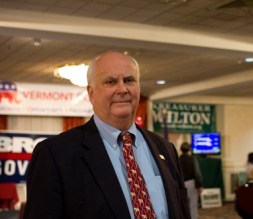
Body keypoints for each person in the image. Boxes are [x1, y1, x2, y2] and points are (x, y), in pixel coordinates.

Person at [23, 51, 191, 219]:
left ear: (138, 88)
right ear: (91, 93)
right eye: (111, 82)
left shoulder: (165, 148)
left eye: (129, 80)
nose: (122, 89)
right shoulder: (55, 154)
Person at [179, 142, 204, 219]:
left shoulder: (177, 159)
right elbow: (197, 173)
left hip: (181, 184)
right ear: (189, 149)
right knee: (193, 205)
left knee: (183, 206)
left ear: (181, 149)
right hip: (191, 184)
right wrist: (200, 185)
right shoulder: (192, 159)